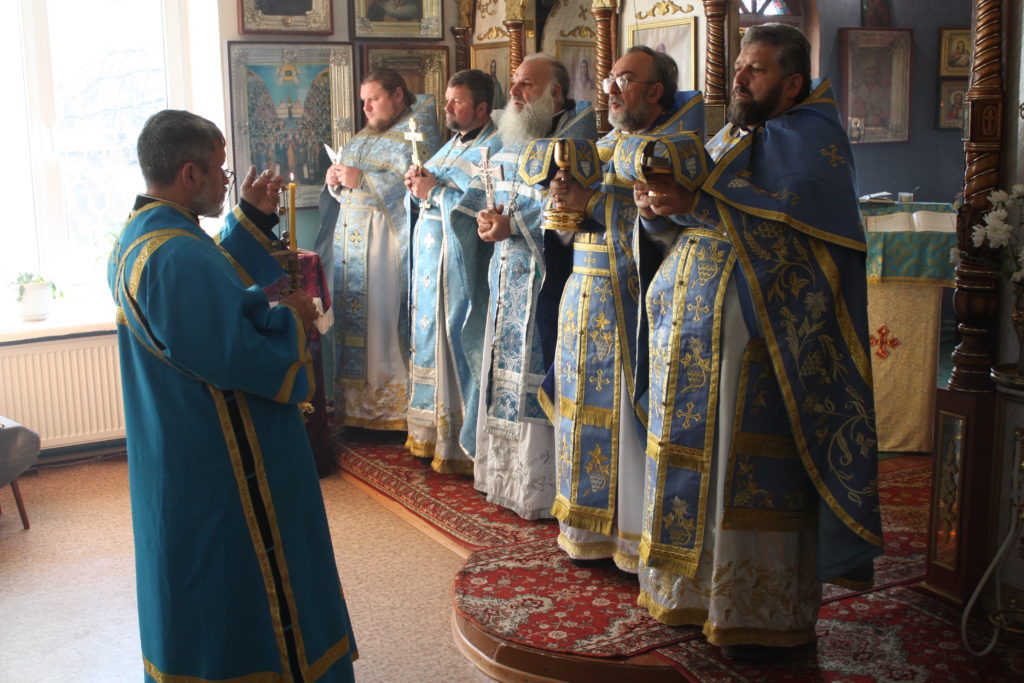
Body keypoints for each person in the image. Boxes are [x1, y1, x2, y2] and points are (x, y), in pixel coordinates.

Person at [630, 24, 883, 660]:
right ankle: (695, 595)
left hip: (762, 338)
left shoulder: (814, 141)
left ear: (792, 83)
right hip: (699, 331)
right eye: (739, 67)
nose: (739, 79)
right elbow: (703, 208)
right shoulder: (739, 132)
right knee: (697, 460)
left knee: (739, 466)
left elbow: (798, 234)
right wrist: (660, 205)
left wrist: (698, 199)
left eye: (757, 71)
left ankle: (758, 611)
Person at [108, 109, 357, 680]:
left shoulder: (149, 233)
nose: (228, 179)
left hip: (179, 443)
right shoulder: (172, 255)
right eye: (221, 170)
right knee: (236, 589)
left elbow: (209, 287)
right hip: (217, 457)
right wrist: (292, 317)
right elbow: (233, 351)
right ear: (189, 174)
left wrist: (249, 218)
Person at [542, 46, 704, 571]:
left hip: (632, 304)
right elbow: (565, 236)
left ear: (655, 93)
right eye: (609, 79)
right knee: (578, 410)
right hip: (582, 297)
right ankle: (587, 531)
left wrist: (589, 202)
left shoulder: (669, 151)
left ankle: (630, 538)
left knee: (626, 417)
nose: (609, 89)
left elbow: (658, 233)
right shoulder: (599, 146)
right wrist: (562, 203)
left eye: (625, 80)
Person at [457, 54, 598, 519]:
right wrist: (488, 219)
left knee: (539, 366)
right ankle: (503, 476)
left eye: (527, 86)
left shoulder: (576, 143)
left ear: (555, 94)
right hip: (507, 277)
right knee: (504, 367)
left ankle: (540, 487)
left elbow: (568, 210)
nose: (515, 94)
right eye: (514, 84)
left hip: (548, 280)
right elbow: (489, 195)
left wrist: (510, 224)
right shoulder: (511, 142)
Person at [316, 68, 440, 431]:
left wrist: (363, 179)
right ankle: (354, 409)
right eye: (363, 101)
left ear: (398, 96)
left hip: (387, 247)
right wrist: (336, 182)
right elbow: (345, 190)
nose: (366, 108)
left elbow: (418, 192)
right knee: (355, 320)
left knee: (383, 322)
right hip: (351, 250)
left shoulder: (415, 139)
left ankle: (389, 410)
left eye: (374, 99)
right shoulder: (359, 139)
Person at [403, 69, 503, 473]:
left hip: (460, 267)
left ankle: (458, 442)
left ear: (481, 107)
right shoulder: (450, 146)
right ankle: (431, 434)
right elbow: (430, 192)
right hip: (431, 263)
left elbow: (476, 206)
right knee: (430, 338)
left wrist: (435, 192)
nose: (446, 107)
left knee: (454, 337)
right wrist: (416, 185)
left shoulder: (493, 148)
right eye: (447, 99)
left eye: (456, 101)